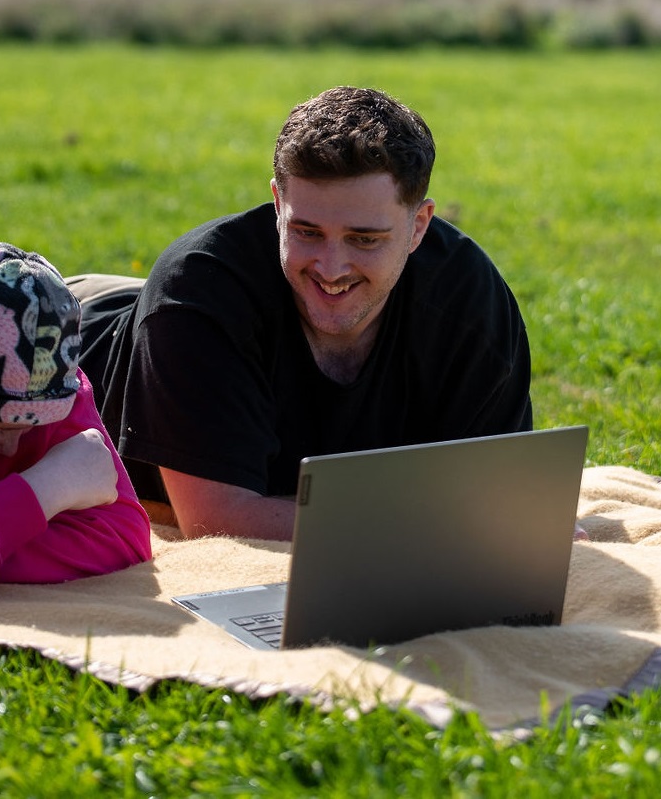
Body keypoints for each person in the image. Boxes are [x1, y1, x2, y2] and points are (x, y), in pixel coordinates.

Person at [71, 86, 533, 542]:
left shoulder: (470, 304)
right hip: (74, 329)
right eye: (307, 231)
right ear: (277, 205)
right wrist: (435, 522)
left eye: (364, 239)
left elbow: (502, 499)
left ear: (418, 226)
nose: (331, 268)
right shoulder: (195, 295)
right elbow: (215, 519)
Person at [0, 243, 151, 583]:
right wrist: (46, 488)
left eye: (32, 423)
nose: (11, 448)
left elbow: (123, 540)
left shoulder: (45, 382)